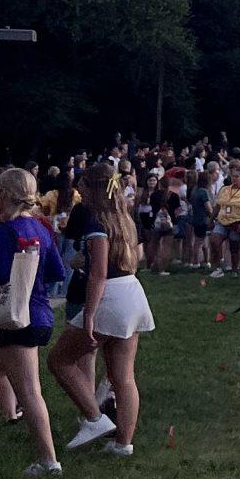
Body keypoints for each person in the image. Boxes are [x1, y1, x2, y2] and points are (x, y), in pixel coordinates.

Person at [50, 162, 154, 457]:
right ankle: (124, 443)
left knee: (59, 361)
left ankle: (94, 419)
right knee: (124, 376)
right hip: (132, 293)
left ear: (93, 187)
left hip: (109, 297)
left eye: (83, 184)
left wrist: (90, 316)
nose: (78, 188)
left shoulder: (97, 223)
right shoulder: (124, 219)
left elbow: (98, 274)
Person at [0, 166, 69, 476]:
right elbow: (57, 273)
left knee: (29, 390)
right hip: (39, 314)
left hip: (12, 319)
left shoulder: (3, 232)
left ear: (2, 194)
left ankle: (49, 461)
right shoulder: (41, 228)